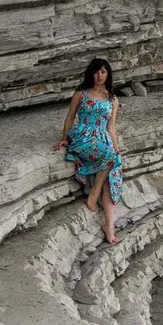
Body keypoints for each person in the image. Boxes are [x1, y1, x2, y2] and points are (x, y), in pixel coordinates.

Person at [54, 57, 124, 245]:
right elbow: (69, 118)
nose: (99, 75)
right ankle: (93, 194)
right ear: (90, 73)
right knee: (110, 158)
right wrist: (65, 138)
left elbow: (111, 128)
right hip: (82, 135)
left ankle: (109, 225)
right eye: (96, 71)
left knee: (114, 169)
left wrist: (116, 148)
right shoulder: (81, 93)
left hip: (102, 138)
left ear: (107, 74)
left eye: (103, 72)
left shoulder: (112, 99)